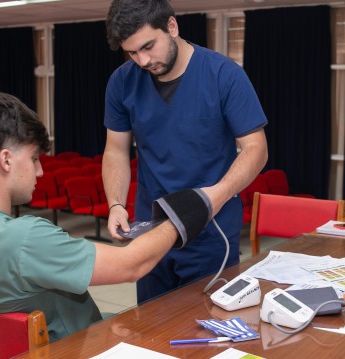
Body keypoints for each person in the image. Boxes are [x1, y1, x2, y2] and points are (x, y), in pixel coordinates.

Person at [0, 92, 208, 342]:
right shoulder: (25, 240)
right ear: (5, 160)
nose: (40, 171)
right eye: (33, 158)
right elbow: (131, 265)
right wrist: (178, 219)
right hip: (69, 349)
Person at [103, 0, 268, 303]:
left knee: (208, 329)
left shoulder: (224, 75)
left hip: (210, 229)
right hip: (151, 230)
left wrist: (213, 198)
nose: (142, 60)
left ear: (172, 26)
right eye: (132, 52)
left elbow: (256, 149)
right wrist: (115, 204)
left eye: (148, 46)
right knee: (152, 328)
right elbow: (115, 150)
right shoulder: (122, 82)